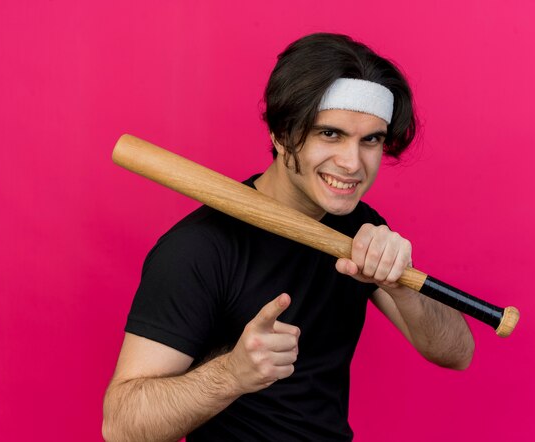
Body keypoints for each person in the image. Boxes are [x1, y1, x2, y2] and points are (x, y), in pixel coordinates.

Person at [102, 33, 475, 442]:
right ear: (281, 135)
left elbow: (457, 353)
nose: (352, 163)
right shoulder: (200, 248)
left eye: (371, 139)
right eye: (329, 134)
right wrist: (232, 374)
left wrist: (400, 284)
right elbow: (121, 426)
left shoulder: (358, 226)